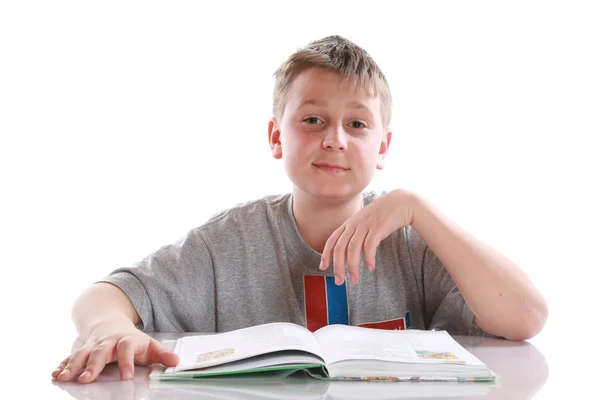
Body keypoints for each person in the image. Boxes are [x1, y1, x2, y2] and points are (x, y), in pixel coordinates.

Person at [52, 35, 548, 384]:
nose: (334, 140)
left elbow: (525, 317)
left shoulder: (415, 243)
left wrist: (418, 206)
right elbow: (103, 296)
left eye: (357, 125)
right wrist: (110, 328)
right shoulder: (229, 242)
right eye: (313, 119)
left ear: (383, 148)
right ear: (276, 137)